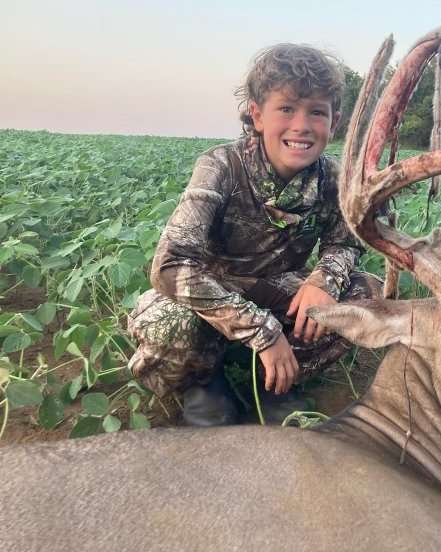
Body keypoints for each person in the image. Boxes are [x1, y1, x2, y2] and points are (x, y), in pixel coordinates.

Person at [126, 44, 382, 427]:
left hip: (276, 289)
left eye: (316, 112)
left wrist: (324, 279)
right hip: (210, 295)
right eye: (286, 109)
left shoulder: (332, 178)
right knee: (171, 324)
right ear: (257, 115)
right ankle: (204, 382)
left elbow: (345, 240)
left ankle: (277, 381)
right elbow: (170, 266)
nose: (302, 125)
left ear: (335, 120)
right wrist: (262, 331)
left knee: (365, 295)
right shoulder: (221, 166)